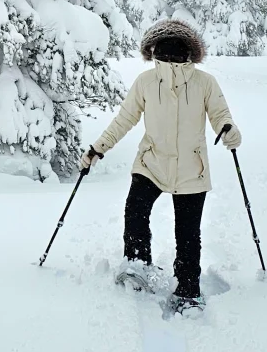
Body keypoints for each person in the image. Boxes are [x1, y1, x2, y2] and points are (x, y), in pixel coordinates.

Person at [81, 19, 241, 314]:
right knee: (136, 210)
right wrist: (98, 148)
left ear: (188, 53)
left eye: (174, 51)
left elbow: (221, 115)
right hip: (151, 162)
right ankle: (137, 264)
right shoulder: (146, 82)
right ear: (154, 52)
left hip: (191, 168)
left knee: (188, 233)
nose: (169, 57)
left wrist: (229, 130)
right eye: (163, 51)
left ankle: (188, 289)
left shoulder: (205, 83)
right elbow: (124, 119)